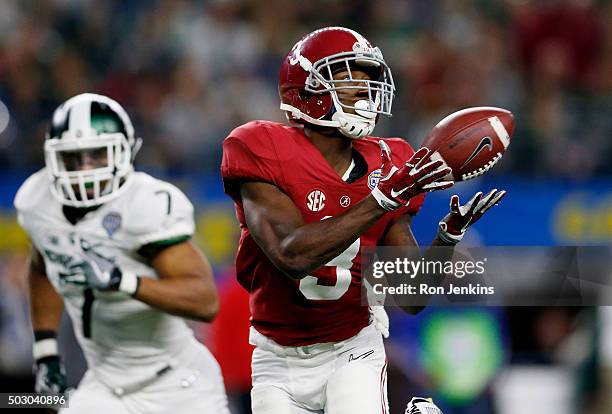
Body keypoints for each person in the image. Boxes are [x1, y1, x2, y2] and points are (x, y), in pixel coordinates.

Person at [222, 27, 505, 413]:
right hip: (278, 357)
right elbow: (292, 254)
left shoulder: (389, 160)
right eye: (347, 75)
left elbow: (411, 297)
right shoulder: (260, 147)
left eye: (369, 78)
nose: (363, 88)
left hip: (352, 347)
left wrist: (448, 236)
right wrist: (383, 198)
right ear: (306, 87)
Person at [15, 93, 230, 413]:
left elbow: (204, 300)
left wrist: (121, 280)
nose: (84, 170)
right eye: (73, 158)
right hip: (104, 387)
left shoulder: (144, 204)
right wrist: (46, 353)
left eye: (96, 156)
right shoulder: (37, 201)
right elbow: (43, 264)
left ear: (124, 152)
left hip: (178, 386)